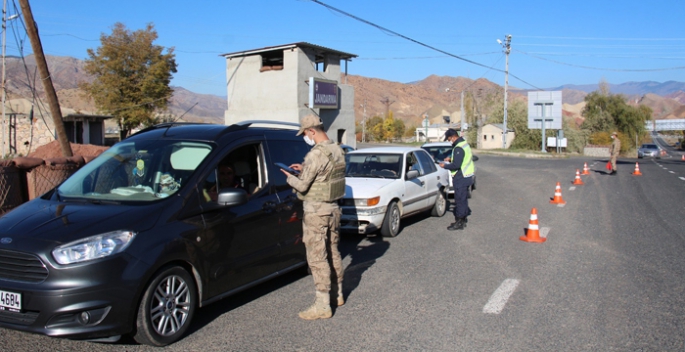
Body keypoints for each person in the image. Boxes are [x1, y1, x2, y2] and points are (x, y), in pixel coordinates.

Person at [280, 114, 346, 320]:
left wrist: (290, 177)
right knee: (333, 251)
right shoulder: (337, 150)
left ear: (311, 131)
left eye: (305, 134)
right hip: (333, 209)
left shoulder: (314, 155)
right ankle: (338, 294)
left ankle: (322, 305)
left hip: (316, 212)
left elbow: (302, 186)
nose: (305, 138)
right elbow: (325, 176)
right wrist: (305, 169)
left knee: (317, 258)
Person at [439, 128, 474, 231]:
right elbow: (463, 159)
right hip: (466, 176)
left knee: (459, 200)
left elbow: (456, 165)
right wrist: (450, 159)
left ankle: (460, 221)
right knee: (463, 199)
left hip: (461, 177)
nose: (450, 141)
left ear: (454, 136)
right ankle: (462, 219)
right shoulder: (464, 144)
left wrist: (444, 165)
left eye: (449, 139)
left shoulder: (458, 148)